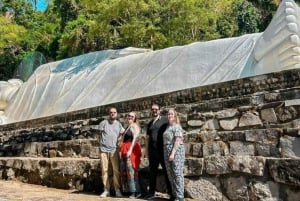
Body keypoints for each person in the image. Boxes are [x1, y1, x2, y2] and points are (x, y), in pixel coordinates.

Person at [145, 104, 173, 200]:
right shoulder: (150, 123)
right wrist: (146, 151)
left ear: (159, 110)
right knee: (152, 172)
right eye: (152, 109)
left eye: (156, 109)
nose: (154, 111)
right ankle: (151, 193)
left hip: (163, 151)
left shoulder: (165, 120)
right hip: (152, 151)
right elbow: (147, 138)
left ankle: (171, 193)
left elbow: (172, 129)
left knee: (167, 172)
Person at [98, 107, 124, 198]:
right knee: (104, 170)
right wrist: (100, 146)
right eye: (111, 112)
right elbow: (99, 134)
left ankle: (117, 190)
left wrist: (119, 142)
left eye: (114, 112)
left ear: (117, 114)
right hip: (103, 150)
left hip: (114, 149)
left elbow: (121, 134)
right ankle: (106, 190)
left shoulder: (119, 124)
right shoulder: (103, 123)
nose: (112, 114)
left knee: (116, 170)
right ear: (108, 113)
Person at [163, 108, 185, 201]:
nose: (169, 116)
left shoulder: (177, 126)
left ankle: (180, 196)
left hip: (176, 151)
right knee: (170, 173)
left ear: (175, 116)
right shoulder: (167, 127)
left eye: (171, 114)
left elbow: (177, 140)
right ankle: (174, 194)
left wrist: (172, 153)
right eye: (168, 114)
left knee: (177, 173)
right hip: (167, 150)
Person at [120, 111, 142, 199]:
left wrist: (130, 150)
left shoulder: (134, 126)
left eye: (132, 116)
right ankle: (131, 191)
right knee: (127, 171)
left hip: (131, 150)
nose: (130, 117)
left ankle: (136, 192)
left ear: (135, 118)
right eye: (129, 116)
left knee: (131, 171)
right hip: (125, 149)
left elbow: (135, 138)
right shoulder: (127, 127)